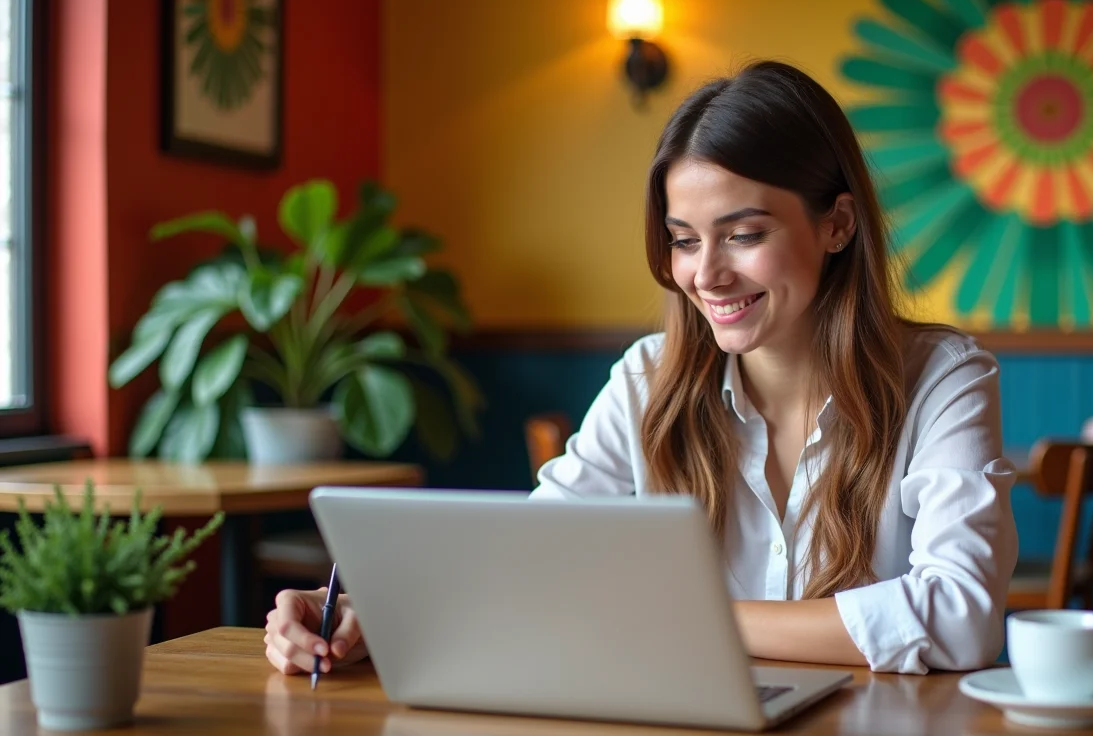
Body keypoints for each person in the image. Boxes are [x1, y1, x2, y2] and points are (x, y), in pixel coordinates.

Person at [264, 60, 1018, 677]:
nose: (707, 275)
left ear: (837, 225)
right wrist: (371, 607)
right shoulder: (650, 375)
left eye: (744, 234)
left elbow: (965, 617)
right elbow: (529, 553)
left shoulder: (942, 378)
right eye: (684, 240)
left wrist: (686, 619)